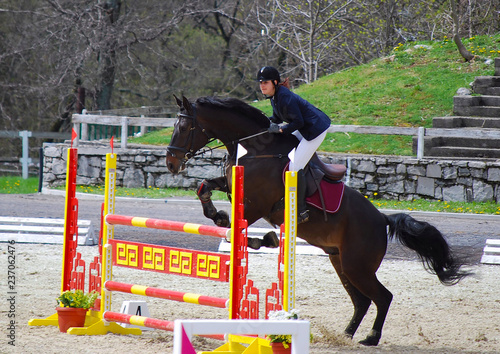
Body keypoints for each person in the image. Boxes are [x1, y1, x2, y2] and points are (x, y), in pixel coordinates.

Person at [257, 66, 331, 224]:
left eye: (265, 82)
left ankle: (301, 210)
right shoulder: (275, 96)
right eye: (260, 83)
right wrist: (264, 125)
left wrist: (281, 129)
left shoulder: (285, 97)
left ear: (275, 82)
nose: (262, 85)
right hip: (305, 128)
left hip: (314, 130)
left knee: (294, 167)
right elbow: (277, 118)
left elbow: (298, 122)